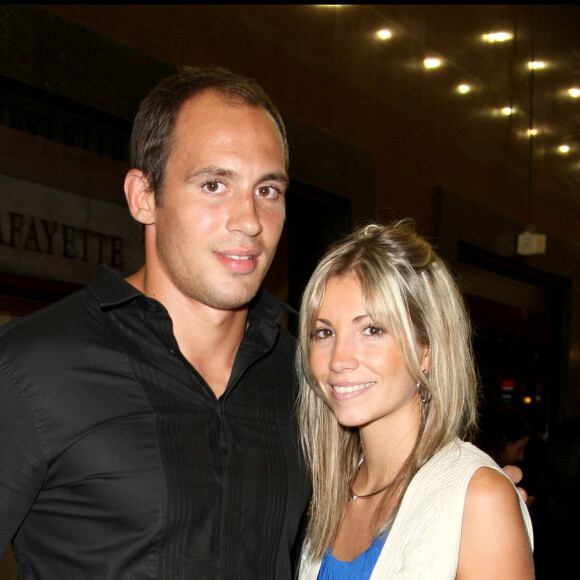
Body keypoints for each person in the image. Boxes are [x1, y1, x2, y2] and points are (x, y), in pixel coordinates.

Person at [0, 66, 310, 579]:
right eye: (214, 184)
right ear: (144, 196)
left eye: (268, 191)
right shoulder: (33, 367)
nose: (249, 221)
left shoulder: (300, 375)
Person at [296, 221, 534, 579]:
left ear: (427, 349)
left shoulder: (479, 499)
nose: (338, 359)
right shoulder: (327, 492)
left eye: (372, 330)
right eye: (325, 332)